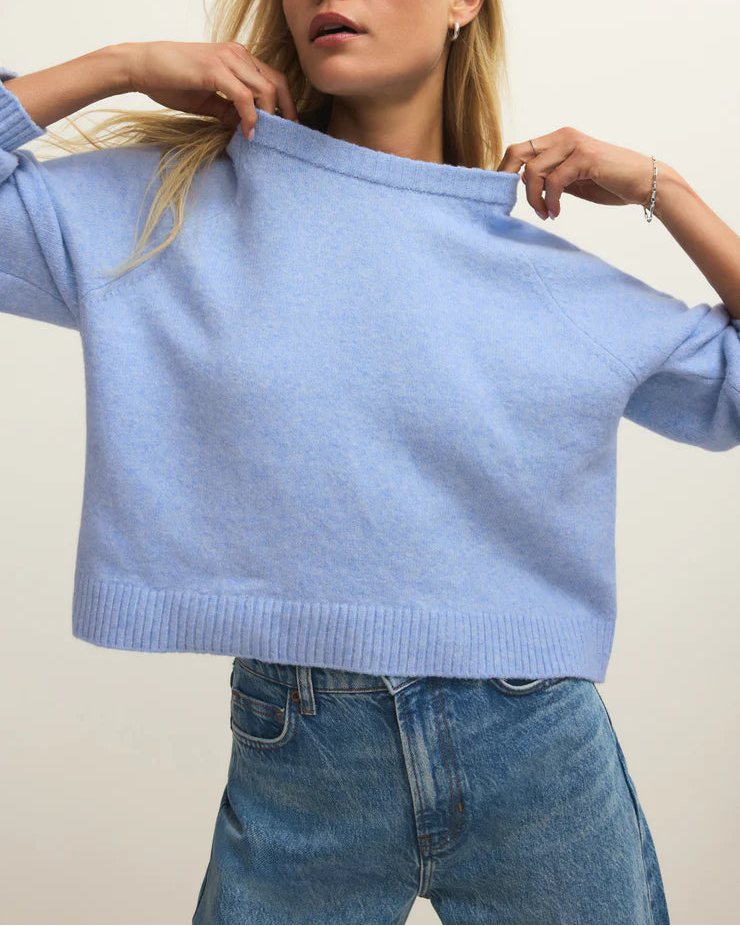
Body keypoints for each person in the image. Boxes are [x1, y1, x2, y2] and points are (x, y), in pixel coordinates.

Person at [3, 1, 740, 923]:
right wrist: (119, 63)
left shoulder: (546, 278)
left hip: (539, 751)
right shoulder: (172, 205)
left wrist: (659, 186)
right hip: (301, 760)